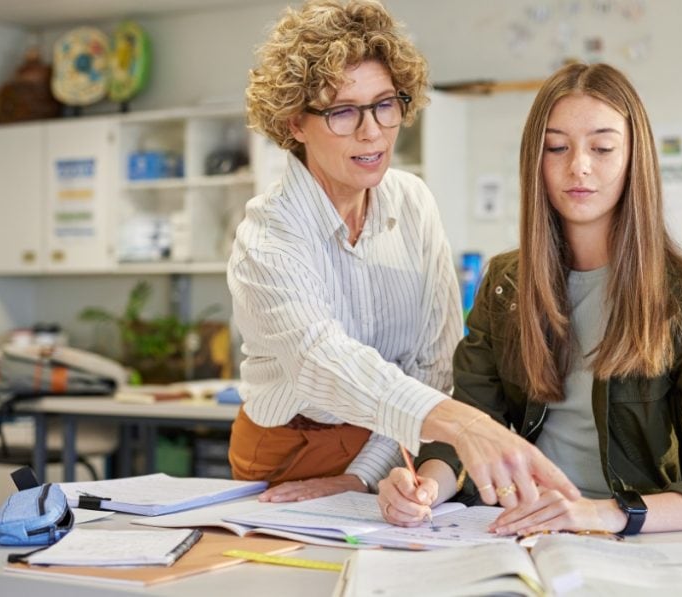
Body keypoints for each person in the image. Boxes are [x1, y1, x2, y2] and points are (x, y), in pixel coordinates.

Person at [376, 62, 682, 537]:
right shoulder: (506, 286)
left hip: (630, 545)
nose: (579, 166)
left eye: (602, 148)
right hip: (509, 532)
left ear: (634, 158)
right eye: (557, 147)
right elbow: (469, 427)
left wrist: (606, 513)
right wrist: (425, 488)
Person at [230, 0, 577, 506]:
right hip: (289, 452)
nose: (372, 131)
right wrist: (462, 423)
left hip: (396, 444)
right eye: (343, 112)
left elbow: (434, 362)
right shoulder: (268, 236)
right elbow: (321, 362)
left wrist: (364, 475)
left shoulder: (412, 203)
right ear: (295, 123)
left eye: (384, 104)